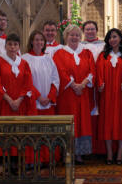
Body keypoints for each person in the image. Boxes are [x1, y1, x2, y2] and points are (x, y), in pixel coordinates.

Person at [0, 33, 38, 166]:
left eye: (15, 44)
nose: (12, 47)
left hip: (20, 105)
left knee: (19, 133)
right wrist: (9, 100)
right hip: (4, 105)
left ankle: (17, 161)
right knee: (5, 133)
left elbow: (28, 83)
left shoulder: (24, 63)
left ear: (19, 47)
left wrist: (18, 100)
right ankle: (6, 162)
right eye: (10, 44)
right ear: (5, 45)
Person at [53, 24, 96, 165]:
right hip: (68, 95)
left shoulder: (86, 52)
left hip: (82, 94)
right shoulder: (59, 53)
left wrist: (82, 84)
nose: (74, 37)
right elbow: (60, 71)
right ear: (66, 36)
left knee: (81, 122)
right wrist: (73, 85)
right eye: (71, 35)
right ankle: (68, 153)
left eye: (77, 35)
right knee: (70, 122)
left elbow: (92, 70)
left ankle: (79, 154)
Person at [96, 28, 122, 165]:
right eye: (110, 37)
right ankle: (109, 153)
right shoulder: (103, 56)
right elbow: (98, 72)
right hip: (107, 95)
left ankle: (119, 154)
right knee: (107, 124)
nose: (112, 39)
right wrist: (100, 83)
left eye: (115, 36)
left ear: (120, 38)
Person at [22, 30, 60, 165]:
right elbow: (25, 82)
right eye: (36, 40)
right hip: (33, 102)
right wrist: (38, 97)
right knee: (33, 131)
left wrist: (49, 97)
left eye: (41, 40)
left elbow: (55, 80)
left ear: (44, 43)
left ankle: (47, 158)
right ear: (31, 41)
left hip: (47, 103)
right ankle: (33, 159)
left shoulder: (49, 59)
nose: (39, 42)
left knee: (47, 131)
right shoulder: (25, 58)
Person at [81, 20, 105, 154]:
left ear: (97, 30)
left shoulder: (104, 45)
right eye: (87, 29)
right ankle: (89, 148)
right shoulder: (79, 46)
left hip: (101, 82)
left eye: (92, 29)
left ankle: (100, 148)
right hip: (86, 83)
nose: (90, 32)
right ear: (83, 32)